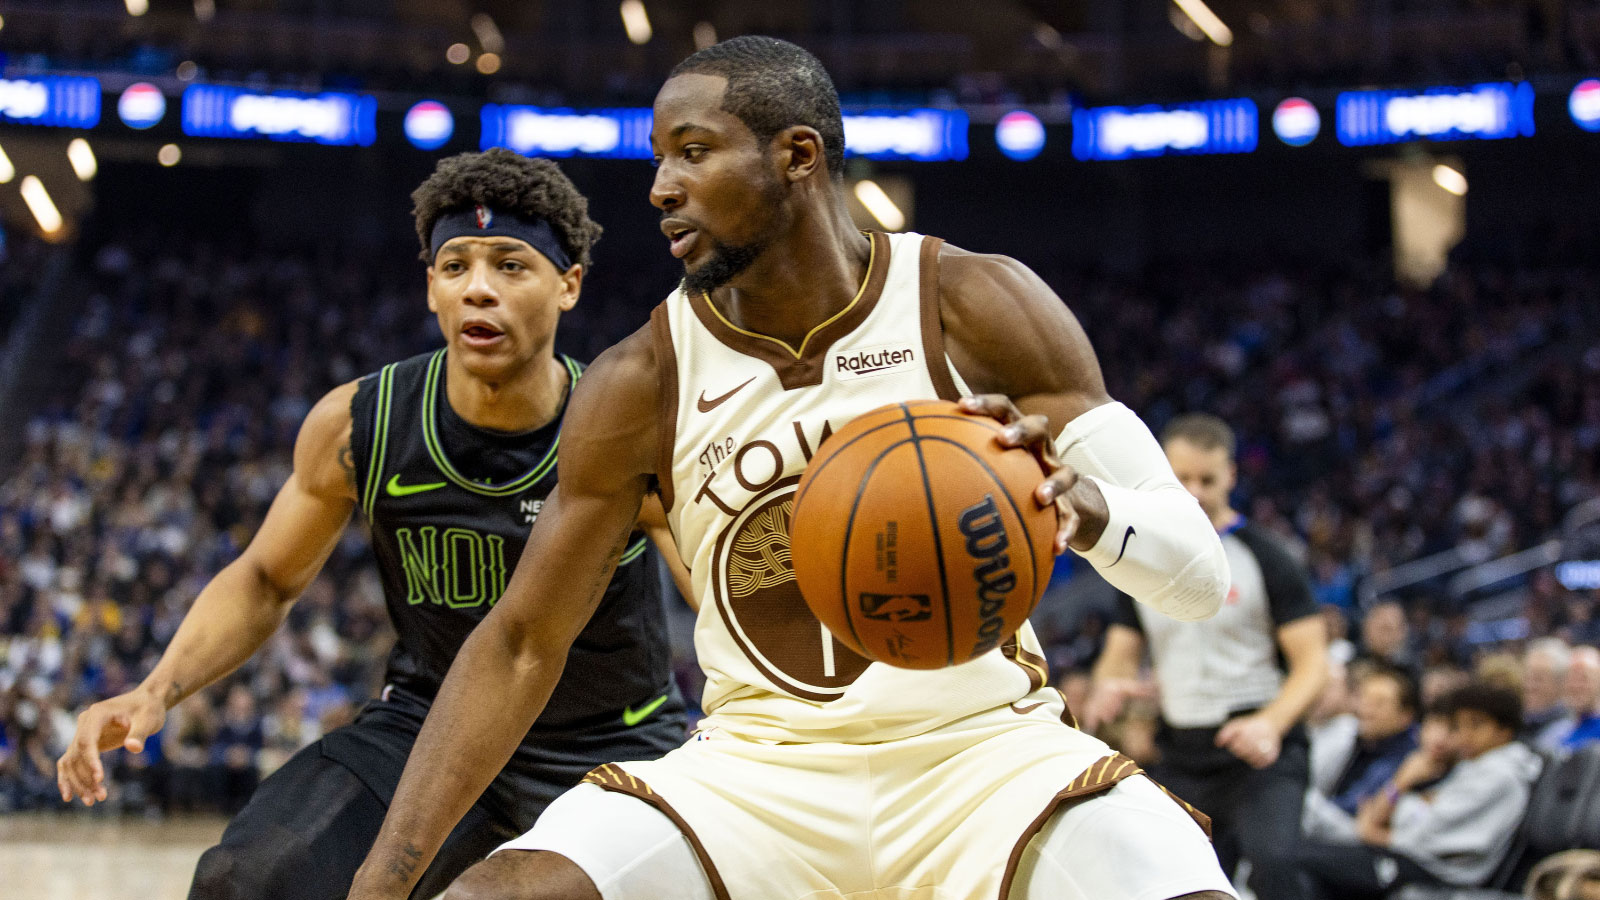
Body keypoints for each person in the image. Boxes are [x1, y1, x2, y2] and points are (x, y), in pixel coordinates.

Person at [348, 35, 1236, 900]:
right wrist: (383, 881)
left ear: (797, 156)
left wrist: (1082, 508)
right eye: (659, 159)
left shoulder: (972, 302)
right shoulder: (639, 380)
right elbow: (517, 644)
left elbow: (1199, 578)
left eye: (693, 154)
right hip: (759, 772)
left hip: (988, 757)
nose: (660, 189)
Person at [55, 149, 690, 900]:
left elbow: (721, 595)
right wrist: (156, 691)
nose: (478, 289)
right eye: (455, 266)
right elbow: (264, 579)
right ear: (430, 288)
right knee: (246, 880)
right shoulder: (359, 423)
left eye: (512, 266)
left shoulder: (625, 430)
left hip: (608, 744)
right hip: (426, 732)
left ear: (568, 285)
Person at [1086, 412, 1329, 900]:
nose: (1194, 491)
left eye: (1208, 479)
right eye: (1182, 478)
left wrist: (1271, 723)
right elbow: (1119, 655)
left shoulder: (1267, 555)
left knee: (1275, 864)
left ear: (1232, 477)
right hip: (1182, 749)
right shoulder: (1141, 561)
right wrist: (1110, 685)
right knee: (1175, 880)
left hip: (1260, 747)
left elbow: (1313, 663)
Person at [1296, 681, 1542, 899]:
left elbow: (1426, 832)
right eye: (1460, 726)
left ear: (1504, 730)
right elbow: (1398, 814)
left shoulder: (1500, 775)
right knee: (1302, 856)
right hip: (1408, 857)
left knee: (1302, 863)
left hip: (1435, 872)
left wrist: (1377, 831)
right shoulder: (1466, 766)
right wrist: (1402, 781)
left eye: (1476, 725)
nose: (1464, 736)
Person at [1302, 663, 1420, 843]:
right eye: (1364, 699)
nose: (1366, 710)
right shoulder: (1360, 742)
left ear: (1406, 715)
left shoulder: (1406, 756)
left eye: (1379, 703)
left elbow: (1356, 812)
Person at [1523, 637, 1572, 747]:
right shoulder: (1517, 721)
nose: (1529, 686)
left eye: (1538, 679)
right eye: (1527, 677)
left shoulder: (1569, 728)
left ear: (1561, 683)